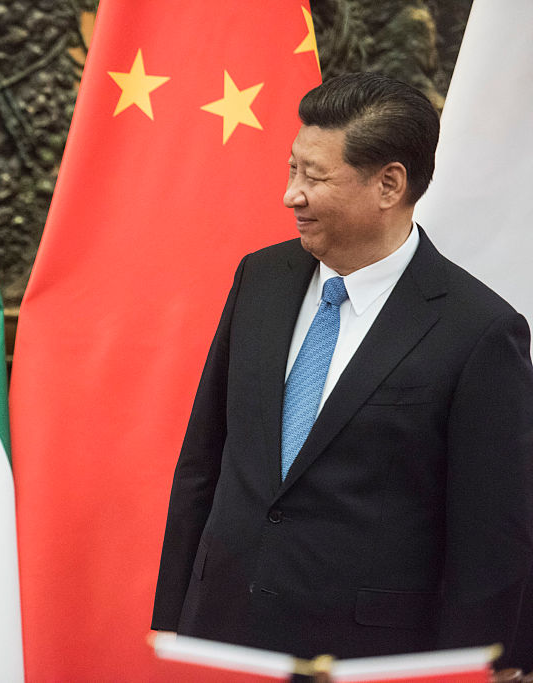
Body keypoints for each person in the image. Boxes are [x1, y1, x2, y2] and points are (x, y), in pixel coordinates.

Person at [152, 72, 533, 664]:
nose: (291, 195)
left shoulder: (479, 331)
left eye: (315, 177)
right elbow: (203, 461)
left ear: (389, 185)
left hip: (365, 656)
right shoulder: (260, 278)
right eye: (292, 169)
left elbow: (492, 539)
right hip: (221, 634)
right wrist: (170, 626)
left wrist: (472, 671)